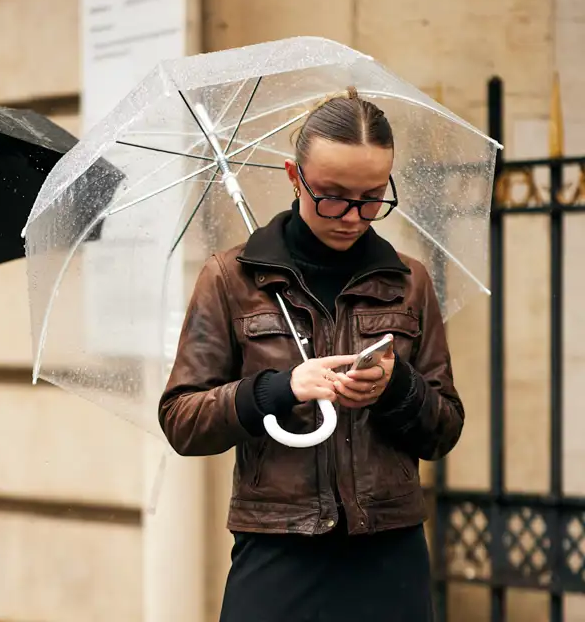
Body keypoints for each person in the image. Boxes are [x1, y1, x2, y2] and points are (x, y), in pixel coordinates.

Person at [159, 86, 464, 621]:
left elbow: (444, 430)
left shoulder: (408, 282)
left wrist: (396, 388)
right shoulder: (231, 278)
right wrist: (278, 389)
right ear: (294, 176)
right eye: (332, 194)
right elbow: (182, 420)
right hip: (279, 551)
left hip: (389, 553)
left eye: (372, 197)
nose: (352, 215)